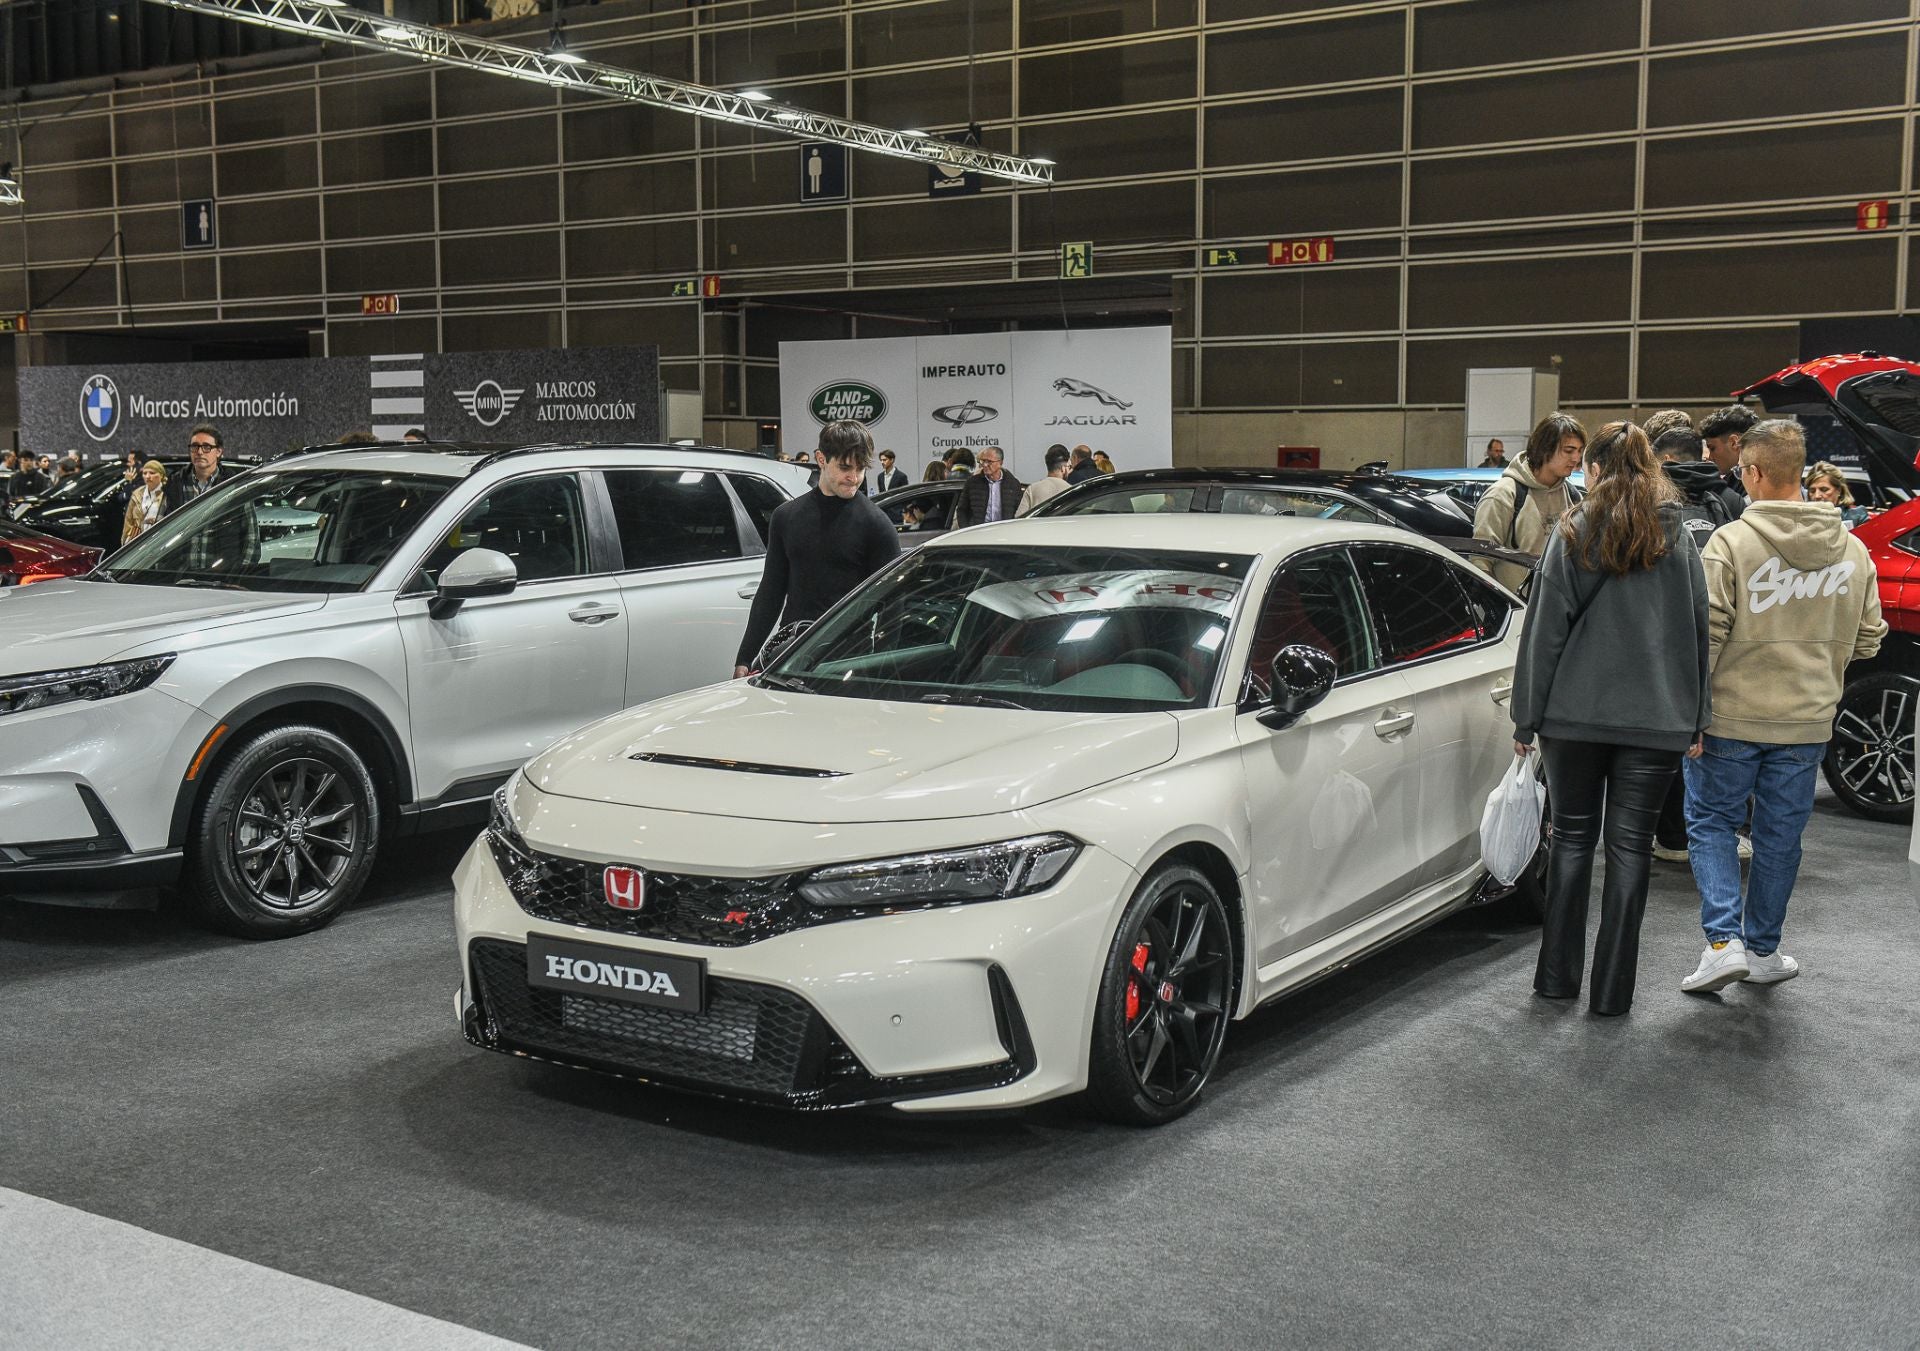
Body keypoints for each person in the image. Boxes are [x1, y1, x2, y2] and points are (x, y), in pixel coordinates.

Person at [1510, 422, 1711, 1016]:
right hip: (1656, 720)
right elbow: (1699, 630)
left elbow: (1543, 633)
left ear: (1594, 471)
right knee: (1630, 852)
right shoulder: (1677, 535)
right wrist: (1695, 717)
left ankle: (1555, 980)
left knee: (1571, 843)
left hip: (1572, 718)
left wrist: (1526, 718)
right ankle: (1613, 994)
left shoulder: (1571, 530)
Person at [1680, 420, 1886, 995]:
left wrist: (1690, 709)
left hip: (1729, 717)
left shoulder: (1730, 544)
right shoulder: (1853, 549)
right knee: (1778, 839)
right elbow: (1870, 638)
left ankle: (1724, 944)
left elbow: (1708, 635)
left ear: (1753, 473)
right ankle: (1763, 950)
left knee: (1712, 823)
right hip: (1808, 720)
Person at [732, 421, 900, 678]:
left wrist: (883, 671)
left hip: (849, 660)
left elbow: (893, 606)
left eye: (860, 469)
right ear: (821, 459)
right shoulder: (786, 517)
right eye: (845, 467)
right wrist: (745, 656)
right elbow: (771, 590)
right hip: (790, 652)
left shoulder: (877, 525)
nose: (853, 478)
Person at [1650, 425, 1740, 865]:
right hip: (1720, 641)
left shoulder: (1651, 504)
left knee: (1667, 741)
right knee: (1713, 739)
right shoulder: (1727, 500)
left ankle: (1670, 834)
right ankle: (1714, 829)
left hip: (1663, 640)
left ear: (1662, 461)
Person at [1471, 412, 1586, 593]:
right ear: (1545, 448)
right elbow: (1480, 562)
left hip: (1559, 609)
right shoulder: (1503, 495)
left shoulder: (1573, 496)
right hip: (1518, 613)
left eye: (1580, 451)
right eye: (1569, 451)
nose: (1576, 459)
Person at [1698, 404, 1756, 520]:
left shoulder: (1761, 485)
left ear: (1734, 442)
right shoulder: (1730, 480)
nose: (1709, 457)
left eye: (1712, 448)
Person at [165, 423, 242, 511]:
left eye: (206, 447)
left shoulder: (233, 483)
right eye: (195, 446)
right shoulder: (175, 481)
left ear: (218, 452)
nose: (200, 452)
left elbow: (245, 522)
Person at [951, 446, 1024, 530]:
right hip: (978, 533)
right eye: (983, 461)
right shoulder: (972, 483)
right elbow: (962, 510)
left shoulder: (1013, 484)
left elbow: (1019, 511)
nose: (985, 465)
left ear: (1000, 463)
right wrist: (967, 529)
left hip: (1004, 532)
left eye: (989, 462)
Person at [1804, 461, 1870, 528]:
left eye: (1824, 490)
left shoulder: (1857, 516)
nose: (1817, 496)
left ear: (1839, 490)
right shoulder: (1803, 518)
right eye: (1812, 491)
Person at [1017, 445, 1074, 516]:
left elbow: (1020, 516)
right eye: (1069, 467)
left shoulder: (1032, 489)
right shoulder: (1071, 491)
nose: (1070, 471)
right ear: (1063, 468)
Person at [122, 460, 168, 544]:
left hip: (159, 541)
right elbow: (128, 521)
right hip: (138, 541)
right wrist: (124, 543)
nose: (147, 476)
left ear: (161, 475)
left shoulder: (167, 493)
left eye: (152, 473)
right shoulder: (137, 494)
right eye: (145, 473)